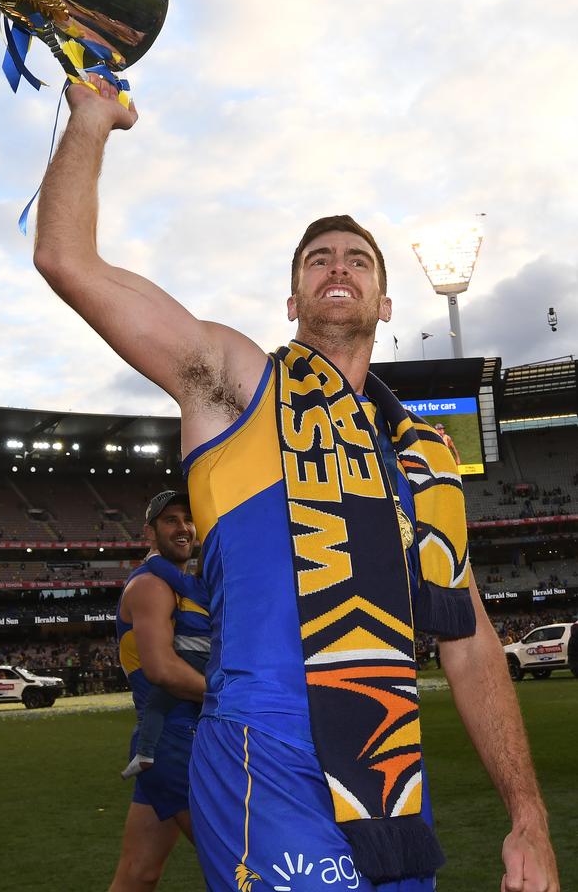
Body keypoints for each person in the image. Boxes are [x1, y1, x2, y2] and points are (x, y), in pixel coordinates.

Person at [34, 76, 559, 892]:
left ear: (385, 302)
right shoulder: (239, 384)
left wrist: (528, 815)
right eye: (318, 259)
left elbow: (472, 642)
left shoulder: (427, 459)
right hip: (262, 753)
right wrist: (91, 121)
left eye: (357, 260)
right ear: (293, 298)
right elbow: (66, 260)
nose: (337, 267)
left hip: (388, 782)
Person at [110, 489, 205, 892]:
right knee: (240, 860)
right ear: (150, 531)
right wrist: (233, 697)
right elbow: (163, 671)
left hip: (168, 742)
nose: (182, 527)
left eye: (187, 518)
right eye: (170, 520)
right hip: (173, 743)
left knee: (138, 873)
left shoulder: (182, 584)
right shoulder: (151, 586)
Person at [122, 548, 210, 779]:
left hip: (188, 654)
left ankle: (145, 753)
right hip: (212, 659)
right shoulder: (225, 595)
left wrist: (152, 557)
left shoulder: (192, 586)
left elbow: (166, 572)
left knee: (156, 705)